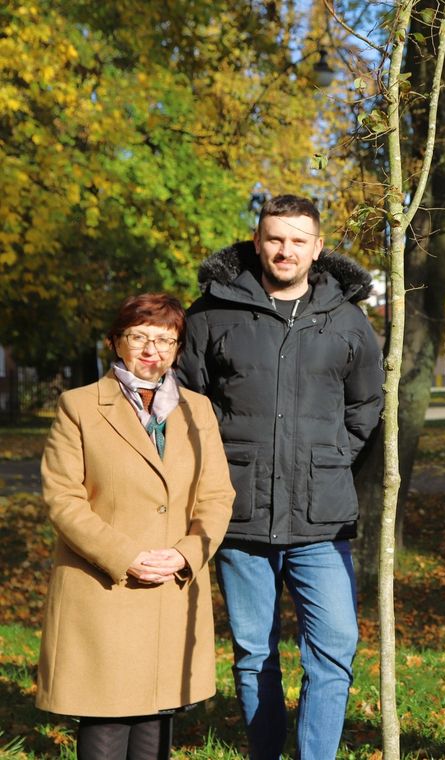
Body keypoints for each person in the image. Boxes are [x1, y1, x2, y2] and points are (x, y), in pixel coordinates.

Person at [177, 194, 383, 759]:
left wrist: (333, 458)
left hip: (322, 517)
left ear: (317, 247)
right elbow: (186, 404)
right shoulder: (211, 313)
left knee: (336, 646)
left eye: (297, 240)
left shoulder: (346, 319)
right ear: (257, 241)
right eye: (275, 238)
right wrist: (221, 468)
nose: (285, 250)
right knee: (252, 650)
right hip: (239, 513)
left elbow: (366, 406)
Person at [37, 293, 234, 760]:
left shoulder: (198, 410)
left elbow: (217, 495)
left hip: (172, 585)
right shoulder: (78, 406)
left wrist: (186, 553)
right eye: (139, 337)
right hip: (103, 586)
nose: (153, 350)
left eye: (166, 340)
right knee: (106, 718)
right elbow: (63, 499)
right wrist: (125, 557)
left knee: (155, 719)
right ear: (115, 342)